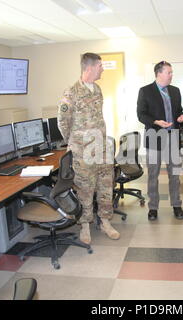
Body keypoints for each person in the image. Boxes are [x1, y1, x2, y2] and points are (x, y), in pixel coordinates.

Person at [57, 52, 120, 245]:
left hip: (101, 149)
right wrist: (75, 142)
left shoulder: (98, 89)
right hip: (82, 153)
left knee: (105, 187)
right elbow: (62, 122)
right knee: (85, 189)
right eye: (100, 66)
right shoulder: (71, 92)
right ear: (90, 67)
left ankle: (105, 222)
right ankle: (84, 225)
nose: (102, 69)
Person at [137, 61, 183, 221]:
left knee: (175, 175)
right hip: (154, 138)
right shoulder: (145, 91)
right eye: (169, 72)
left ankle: (176, 205)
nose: (172, 75)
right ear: (159, 73)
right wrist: (156, 122)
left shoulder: (175, 91)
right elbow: (141, 114)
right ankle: (153, 208)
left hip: (173, 138)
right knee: (153, 175)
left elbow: (179, 111)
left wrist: (180, 118)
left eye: (172, 72)